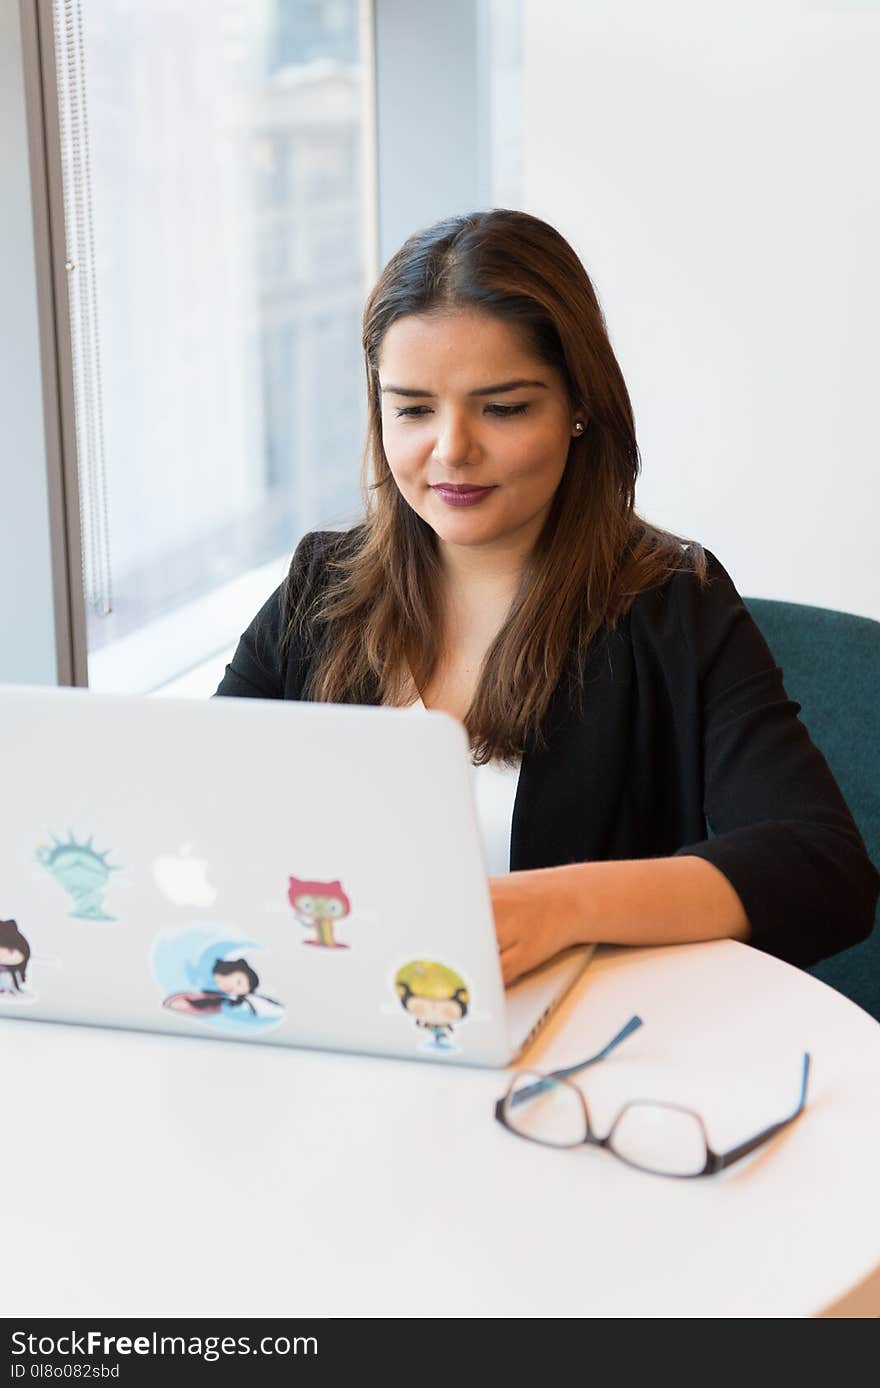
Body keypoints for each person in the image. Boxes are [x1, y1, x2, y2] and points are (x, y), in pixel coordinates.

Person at [215, 208, 878, 984]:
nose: (452, 449)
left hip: (580, 1051)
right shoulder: (319, 590)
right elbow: (204, 808)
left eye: (503, 408)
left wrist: (559, 908)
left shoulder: (671, 604)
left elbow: (821, 868)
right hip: (345, 1020)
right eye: (413, 409)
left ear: (578, 408)